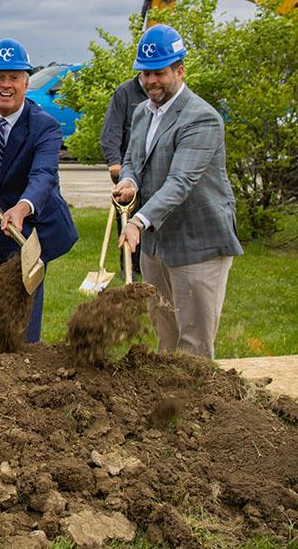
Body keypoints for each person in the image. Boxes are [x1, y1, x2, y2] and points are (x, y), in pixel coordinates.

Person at [113, 24, 242, 359]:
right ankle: (166, 405)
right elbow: (132, 160)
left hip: (197, 243)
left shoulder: (202, 118)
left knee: (193, 345)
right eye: (144, 74)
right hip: (157, 245)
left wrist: (137, 222)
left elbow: (180, 182)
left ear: (179, 70)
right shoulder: (142, 112)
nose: (150, 81)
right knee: (165, 337)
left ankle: (197, 410)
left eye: (158, 73)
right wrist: (129, 182)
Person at [0, 38, 78, 343]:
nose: (5, 85)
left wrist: (22, 208)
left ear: (25, 81)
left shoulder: (44, 126)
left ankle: (23, 375)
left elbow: (43, 176)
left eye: (13, 77)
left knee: (22, 316)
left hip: (30, 229)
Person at [101, 74, 147, 276]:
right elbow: (111, 131)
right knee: (128, 218)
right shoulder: (124, 93)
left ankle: (153, 266)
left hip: (157, 171)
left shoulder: (167, 92)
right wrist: (114, 163)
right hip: (130, 171)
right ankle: (129, 268)